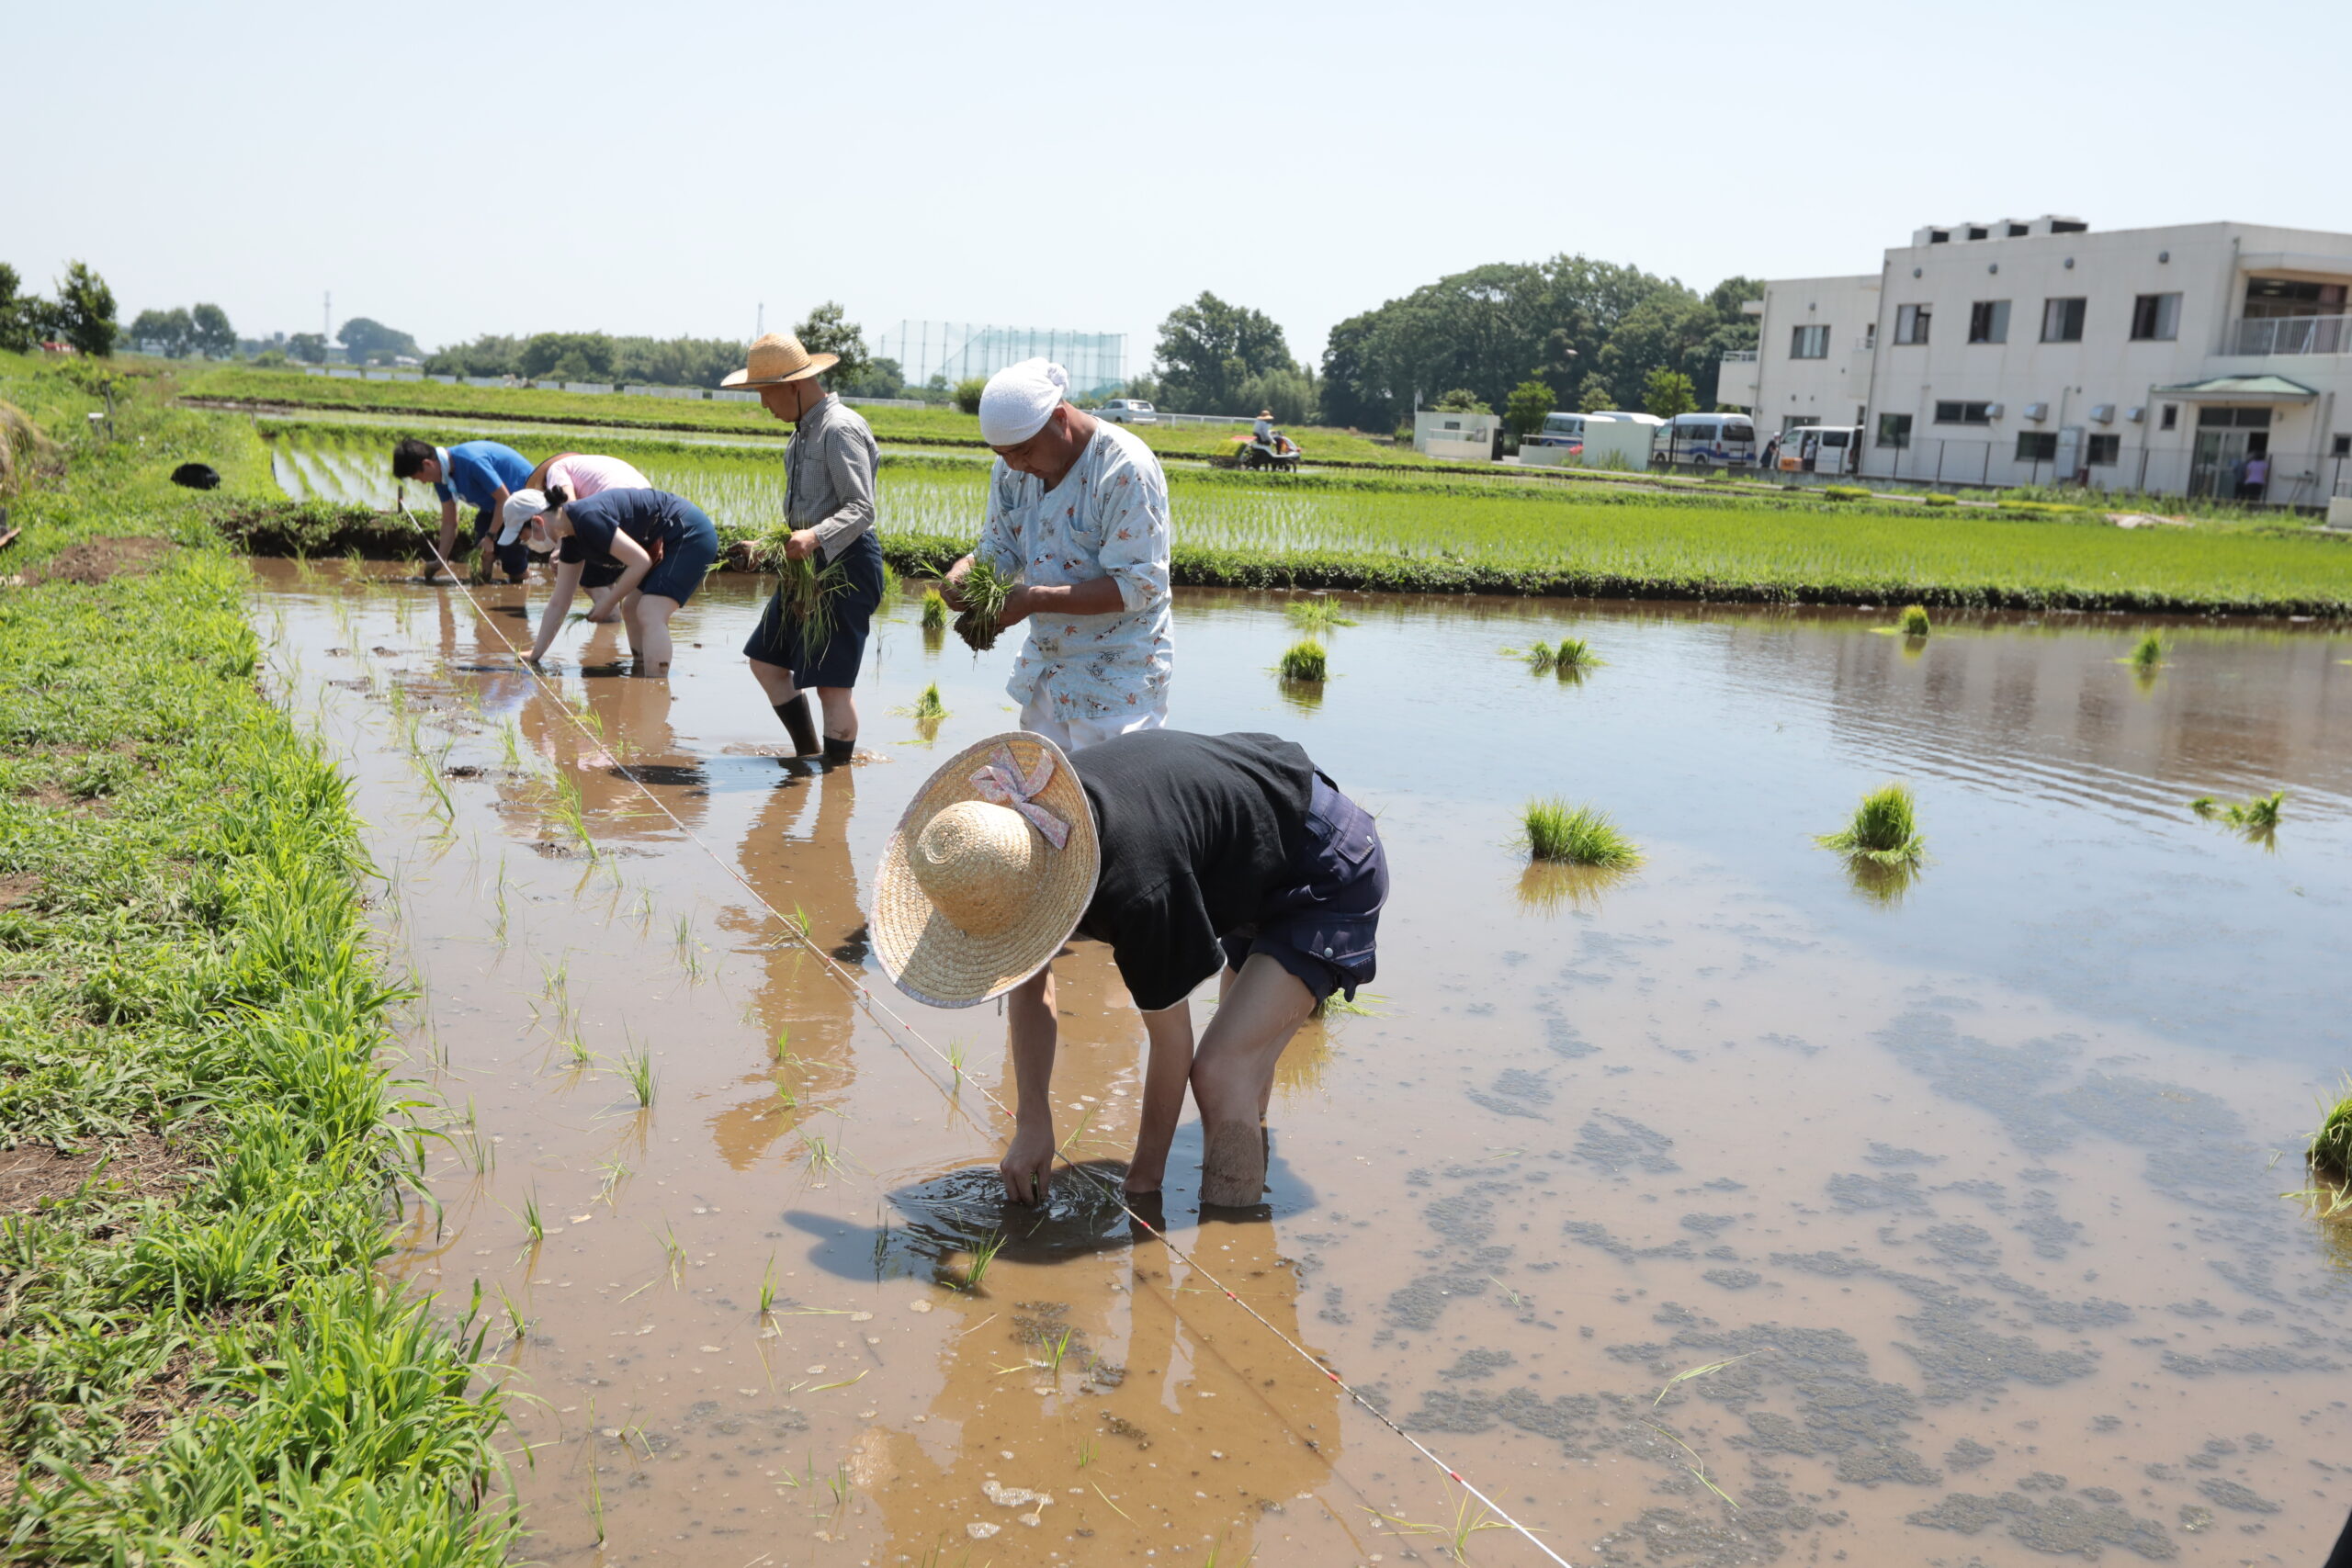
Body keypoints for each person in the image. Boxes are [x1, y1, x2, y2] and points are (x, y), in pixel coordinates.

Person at [870, 728, 1388, 1209]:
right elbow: (1030, 982)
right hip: (1248, 851)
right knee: (1244, 1071)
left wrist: (1143, 1186)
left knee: (1221, 1071)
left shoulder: (1136, 890)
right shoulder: (1022, 841)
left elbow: (1171, 1045)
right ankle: (1245, 1195)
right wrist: (1033, 1119)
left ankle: (1235, 1257)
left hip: (1325, 863)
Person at [944, 359, 1172, 750]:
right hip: (1048, 674)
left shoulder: (1123, 469)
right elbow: (1000, 546)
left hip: (1118, 688)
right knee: (1044, 803)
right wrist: (965, 573)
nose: (1015, 465)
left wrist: (1032, 599)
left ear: (1059, 418)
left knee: (1115, 807)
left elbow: (1138, 586)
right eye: (1002, 454)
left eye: (1022, 450)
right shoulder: (1011, 469)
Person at [722, 333, 885, 765]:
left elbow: (861, 509)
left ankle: (835, 783)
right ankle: (808, 754)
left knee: (833, 686)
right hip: (804, 568)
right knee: (766, 662)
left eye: (765, 392)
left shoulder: (839, 429)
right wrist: (769, 546)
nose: (763, 405)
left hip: (845, 566)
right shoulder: (799, 436)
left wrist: (815, 537)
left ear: (794, 385)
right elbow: (805, 516)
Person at [515, 486, 718, 675]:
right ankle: (641, 670)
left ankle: (655, 686)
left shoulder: (587, 518)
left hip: (688, 532)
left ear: (537, 522)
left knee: (651, 611)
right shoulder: (571, 539)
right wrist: (536, 653)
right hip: (660, 539)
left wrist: (608, 603)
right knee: (631, 608)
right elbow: (559, 603)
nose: (527, 544)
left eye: (524, 538)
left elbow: (640, 562)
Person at [499, 453, 653, 615]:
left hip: (621, 508)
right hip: (643, 506)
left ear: (544, 484)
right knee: (603, 576)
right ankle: (610, 629)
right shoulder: (583, 466)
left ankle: (609, 622)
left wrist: (561, 549)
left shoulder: (556, 470)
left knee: (591, 580)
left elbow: (571, 508)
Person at [391, 437, 535, 583]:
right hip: (494, 506)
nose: (422, 482)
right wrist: (440, 561)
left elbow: (505, 499)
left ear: (427, 464)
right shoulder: (442, 478)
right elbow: (449, 522)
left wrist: (490, 536)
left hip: (524, 500)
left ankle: (522, 584)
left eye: (418, 478)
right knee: (482, 555)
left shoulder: (471, 461)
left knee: (512, 560)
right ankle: (485, 594)